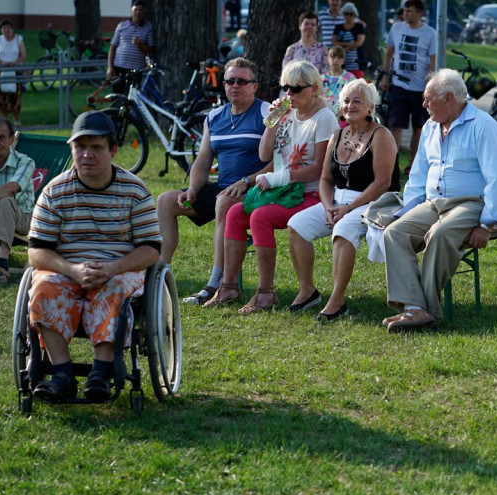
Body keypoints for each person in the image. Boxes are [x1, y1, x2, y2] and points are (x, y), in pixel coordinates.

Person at [27, 111, 161, 401]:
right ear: (71, 149)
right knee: (43, 288)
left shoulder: (135, 191)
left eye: (97, 147)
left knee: (113, 289)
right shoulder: (54, 192)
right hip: (66, 268)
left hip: (119, 268)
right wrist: (72, 270)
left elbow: (151, 249)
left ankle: (101, 372)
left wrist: (114, 267)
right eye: (81, 147)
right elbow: (36, 251)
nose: (87, 154)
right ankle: (61, 374)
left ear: (113, 150)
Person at [380, 69, 497, 332]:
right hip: (432, 204)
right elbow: (418, 174)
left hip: (470, 203)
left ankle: (421, 310)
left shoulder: (483, 126)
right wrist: (405, 211)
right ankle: (415, 308)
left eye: (428, 99)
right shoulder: (430, 127)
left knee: (440, 234)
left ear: (449, 98)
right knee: (394, 233)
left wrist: (486, 225)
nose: (424, 105)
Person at [208, 61, 339, 313]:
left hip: (310, 193)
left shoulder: (324, 118)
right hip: (284, 192)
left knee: (260, 216)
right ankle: (228, 286)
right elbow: (264, 153)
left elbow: (319, 169)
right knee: (235, 213)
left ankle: (266, 292)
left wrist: (278, 179)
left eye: (295, 89)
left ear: (313, 89)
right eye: (285, 88)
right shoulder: (287, 115)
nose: (288, 94)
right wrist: (272, 122)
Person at [155, 57, 271, 305]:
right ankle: (159, 274)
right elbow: (203, 160)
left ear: (255, 85)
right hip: (223, 187)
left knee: (223, 202)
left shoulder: (266, 112)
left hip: (258, 188)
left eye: (242, 81)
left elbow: (281, 162)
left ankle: (216, 283)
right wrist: (194, 189)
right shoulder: (214, 116)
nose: (235, 86)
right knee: (166, 200)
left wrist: (246, 181)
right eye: (230, 81)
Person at [287, 79, 398, 320]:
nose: (350, 105)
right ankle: (308, 291)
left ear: (370, 106)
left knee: (344, 229)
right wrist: (329, 206)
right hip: (336, 201)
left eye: (357, 101)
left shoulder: (381, 135)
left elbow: (382, 183)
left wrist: (348, 208)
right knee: (297, 225)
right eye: (346, 101)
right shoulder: (337, 135)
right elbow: (325, 179)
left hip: (372, 202)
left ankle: (337, 302)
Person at [380, 0, 438, 167]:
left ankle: (413, 164)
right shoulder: (396, 28)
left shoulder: (430, 33)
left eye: (410, 11)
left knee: (419, 128)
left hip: (420, 87)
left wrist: (429, 86)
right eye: (404, 10)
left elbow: (432, 61)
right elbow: (388, 53)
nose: (405, 14)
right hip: (399, 85)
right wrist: (385, 76)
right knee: (395, 126)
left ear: (419, 13)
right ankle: (392, 164)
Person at [0, 118, 34, 286]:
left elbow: (12, 188)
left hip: (22, 220)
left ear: (11, 139)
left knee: (4, 200)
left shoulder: (25, 162)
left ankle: (2, 264)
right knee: (0, 202)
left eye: (1, 137)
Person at [107, 0, 155, 84]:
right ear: (131, 11)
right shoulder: (122, 26)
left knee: (131, 95)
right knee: (117, 95)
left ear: (144, 13)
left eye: (141, 10)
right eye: (135, 10)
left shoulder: (148, 27)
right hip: (119, 66)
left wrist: (140, 44)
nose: (138, 13)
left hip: (136, 69)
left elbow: (151, 50)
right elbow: (112, 48)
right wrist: (110, 67)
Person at [0, 20, 26, 125]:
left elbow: (23, 55)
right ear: (1, 30)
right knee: (0, 96)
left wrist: (14, 63)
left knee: (15, 95)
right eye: (4, 28)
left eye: (8, 27)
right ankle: (4, 118)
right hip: (1, 70)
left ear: (12, 28)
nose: (6, 30)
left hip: (15, 71)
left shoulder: (19, 39)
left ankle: (16, 119)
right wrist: (1, 63)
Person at [282, 11, 328, 75]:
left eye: (313, 24)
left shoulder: (322, 49)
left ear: (316, 28)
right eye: (306, 24)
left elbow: (325, 73)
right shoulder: (292, 49)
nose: (309, 27)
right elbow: (285, 74)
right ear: (300, 26)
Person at [332, 3, 366, 78]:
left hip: (357, 64)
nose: (348, 16)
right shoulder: (338, 27)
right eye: (346, 14)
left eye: (351, 14)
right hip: (342, 64)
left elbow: (359, 43)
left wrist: (344, 49)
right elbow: (334, 42)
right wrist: (349, 44)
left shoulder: (359, 27)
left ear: (355, 15)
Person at [322, 46, 355, 118]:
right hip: (324, 115)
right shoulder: (321, 78)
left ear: (343, 60)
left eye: (339, 58)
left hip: (344, 116)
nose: (336, 60)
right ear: (328, 59)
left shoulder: (350, 78)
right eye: (333, 57)